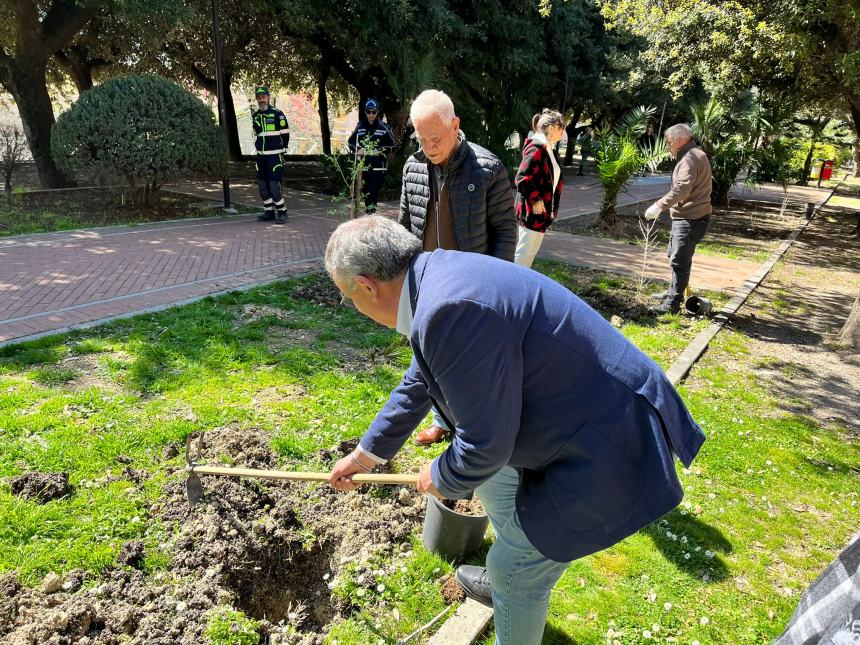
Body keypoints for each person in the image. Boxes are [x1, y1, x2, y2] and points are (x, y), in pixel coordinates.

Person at [324, 215, 705, 645]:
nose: (352, 305)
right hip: (577, 418)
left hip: (609, 441)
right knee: (493, 480)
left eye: (346, 296)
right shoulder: (435, 279)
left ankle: (513, 581)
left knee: (515, 566)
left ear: (367, 285)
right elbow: (421, 378)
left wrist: (441, 475)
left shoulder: (447, 308)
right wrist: (365, 456)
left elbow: (485, 444)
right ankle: (510, 586)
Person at [398, 88, 517, 446]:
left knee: (471, 358)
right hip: (426, 282)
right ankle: (442, 419)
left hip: (472, 284)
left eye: (435, 137)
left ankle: (473, 425)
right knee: (429, 355)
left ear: (455, 126)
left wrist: (497, 285)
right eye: (421, 138)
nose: (429, 146)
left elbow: (505, 231)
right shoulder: (413, 166)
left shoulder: (487, 168)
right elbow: (405, 223)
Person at [644, 123, 713, 314]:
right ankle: (673, 292)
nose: (668, 146)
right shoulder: (693, 154)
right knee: (675, 257)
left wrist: (659, 205)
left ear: (680, 140)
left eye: (669, 142)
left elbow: (682, 189)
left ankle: (672, 304)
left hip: (691, 218)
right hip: (689, 216)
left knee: (680, 260)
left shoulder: (691, 157)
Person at [513, 109, 565, 268]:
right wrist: (536, 201)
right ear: (551, 128)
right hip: (532, 212)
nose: (563, 131)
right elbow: (522, 178)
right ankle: (513, 288)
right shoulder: (537, 148)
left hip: (540, 214)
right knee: (524, 255)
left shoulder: (547, 149)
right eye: (561, 127)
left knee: (527, 254)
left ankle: (518, 286)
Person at [347, 99, 396, 214]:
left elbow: (393, 145)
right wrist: (357, 149)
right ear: (365, 112)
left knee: (373, 191)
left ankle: (370, 216)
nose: (371, 114)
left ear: (377, 112)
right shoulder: (360, 126)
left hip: (378, 166)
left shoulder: (384, 127)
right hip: (363, 165)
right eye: (368, 112)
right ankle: (369, 216)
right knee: (366, 192)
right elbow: (350, 142)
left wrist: (378, 150)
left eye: (373, 112)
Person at [251, 86, 290, 224]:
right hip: (261, 156)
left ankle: (282, 211)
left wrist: (283, 148)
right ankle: (269, 212)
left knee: (274, 186)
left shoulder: (277, 114)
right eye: (259, 97)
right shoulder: (255, 116)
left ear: (268, 97)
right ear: (257, 99)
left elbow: (285, 133)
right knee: (262, 186)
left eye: (264, 97)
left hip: (275, 156)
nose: (261, 100)